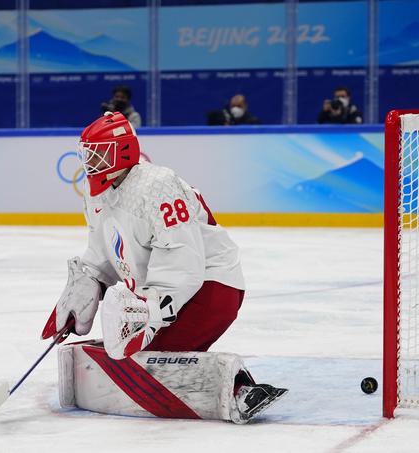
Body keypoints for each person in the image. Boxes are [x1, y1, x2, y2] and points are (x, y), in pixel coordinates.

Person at [41, 112, 287, 423]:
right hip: (162, 291)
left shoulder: (158, 186)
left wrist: (150, 310)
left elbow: (184, 263)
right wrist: (88, 282)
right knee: (129, 353)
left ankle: (240, 388)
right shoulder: (98, 191)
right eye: (88, 152)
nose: (90, 160)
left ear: (123, 152)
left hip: (211, 285)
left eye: (99, 152)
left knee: (147, 360)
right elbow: (104, 248)